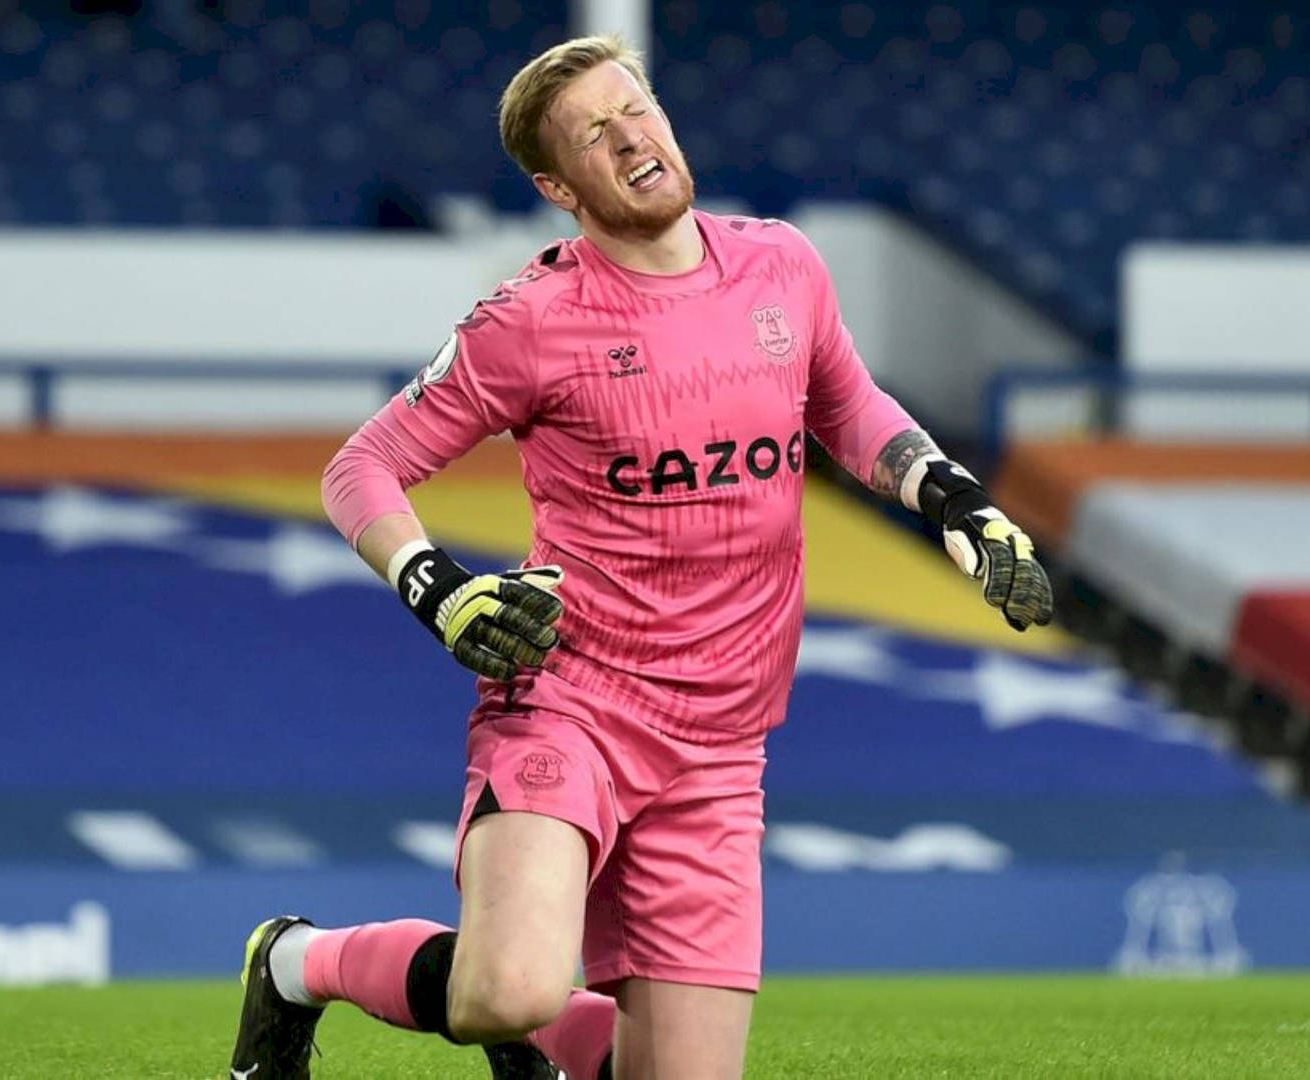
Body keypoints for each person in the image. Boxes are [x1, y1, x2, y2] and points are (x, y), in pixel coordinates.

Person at [228, 34, 1054, 1080]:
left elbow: (847, 406)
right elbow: (361, 469)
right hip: (574, 703)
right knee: (505, 991)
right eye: (593, 134)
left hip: (721, 744)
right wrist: (439, 592)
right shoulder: (530, 321)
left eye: (638, 109)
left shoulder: (781, 265)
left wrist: (955, 500)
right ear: (555, 184)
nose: (631, 140)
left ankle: (557, 1042)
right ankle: (297, 964)